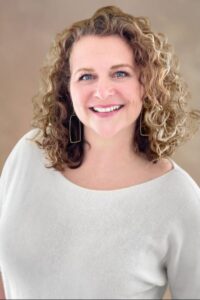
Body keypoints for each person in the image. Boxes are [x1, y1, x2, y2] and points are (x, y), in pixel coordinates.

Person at [0, 5, 200, 300]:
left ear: (146, 84)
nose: (103, 91)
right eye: (86, 76)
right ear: (67, 88)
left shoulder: (178, 197)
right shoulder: (29, 154)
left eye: (120, 73)